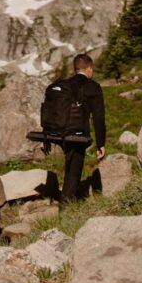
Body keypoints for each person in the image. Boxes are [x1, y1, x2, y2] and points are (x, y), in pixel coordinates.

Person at [47, 53, 106, 203]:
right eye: (92, 69)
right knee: (74, 170)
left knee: (71, 164)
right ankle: (65, 208)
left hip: (58, 131)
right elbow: (98, 118)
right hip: (77, 134)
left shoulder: (63, 85)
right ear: (88, 68)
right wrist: (101, 144)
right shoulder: (93, 87)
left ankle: (67, 197)